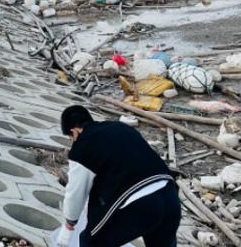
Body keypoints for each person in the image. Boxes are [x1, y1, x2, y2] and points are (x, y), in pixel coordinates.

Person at [55, 105, 180, 247]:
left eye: (71, 138)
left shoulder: (83, 146)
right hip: (171, 197)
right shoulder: (120, 128)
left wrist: (70, 223)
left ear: (74, 132)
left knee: (90, 242)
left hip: (141, 203)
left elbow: (76, 192)